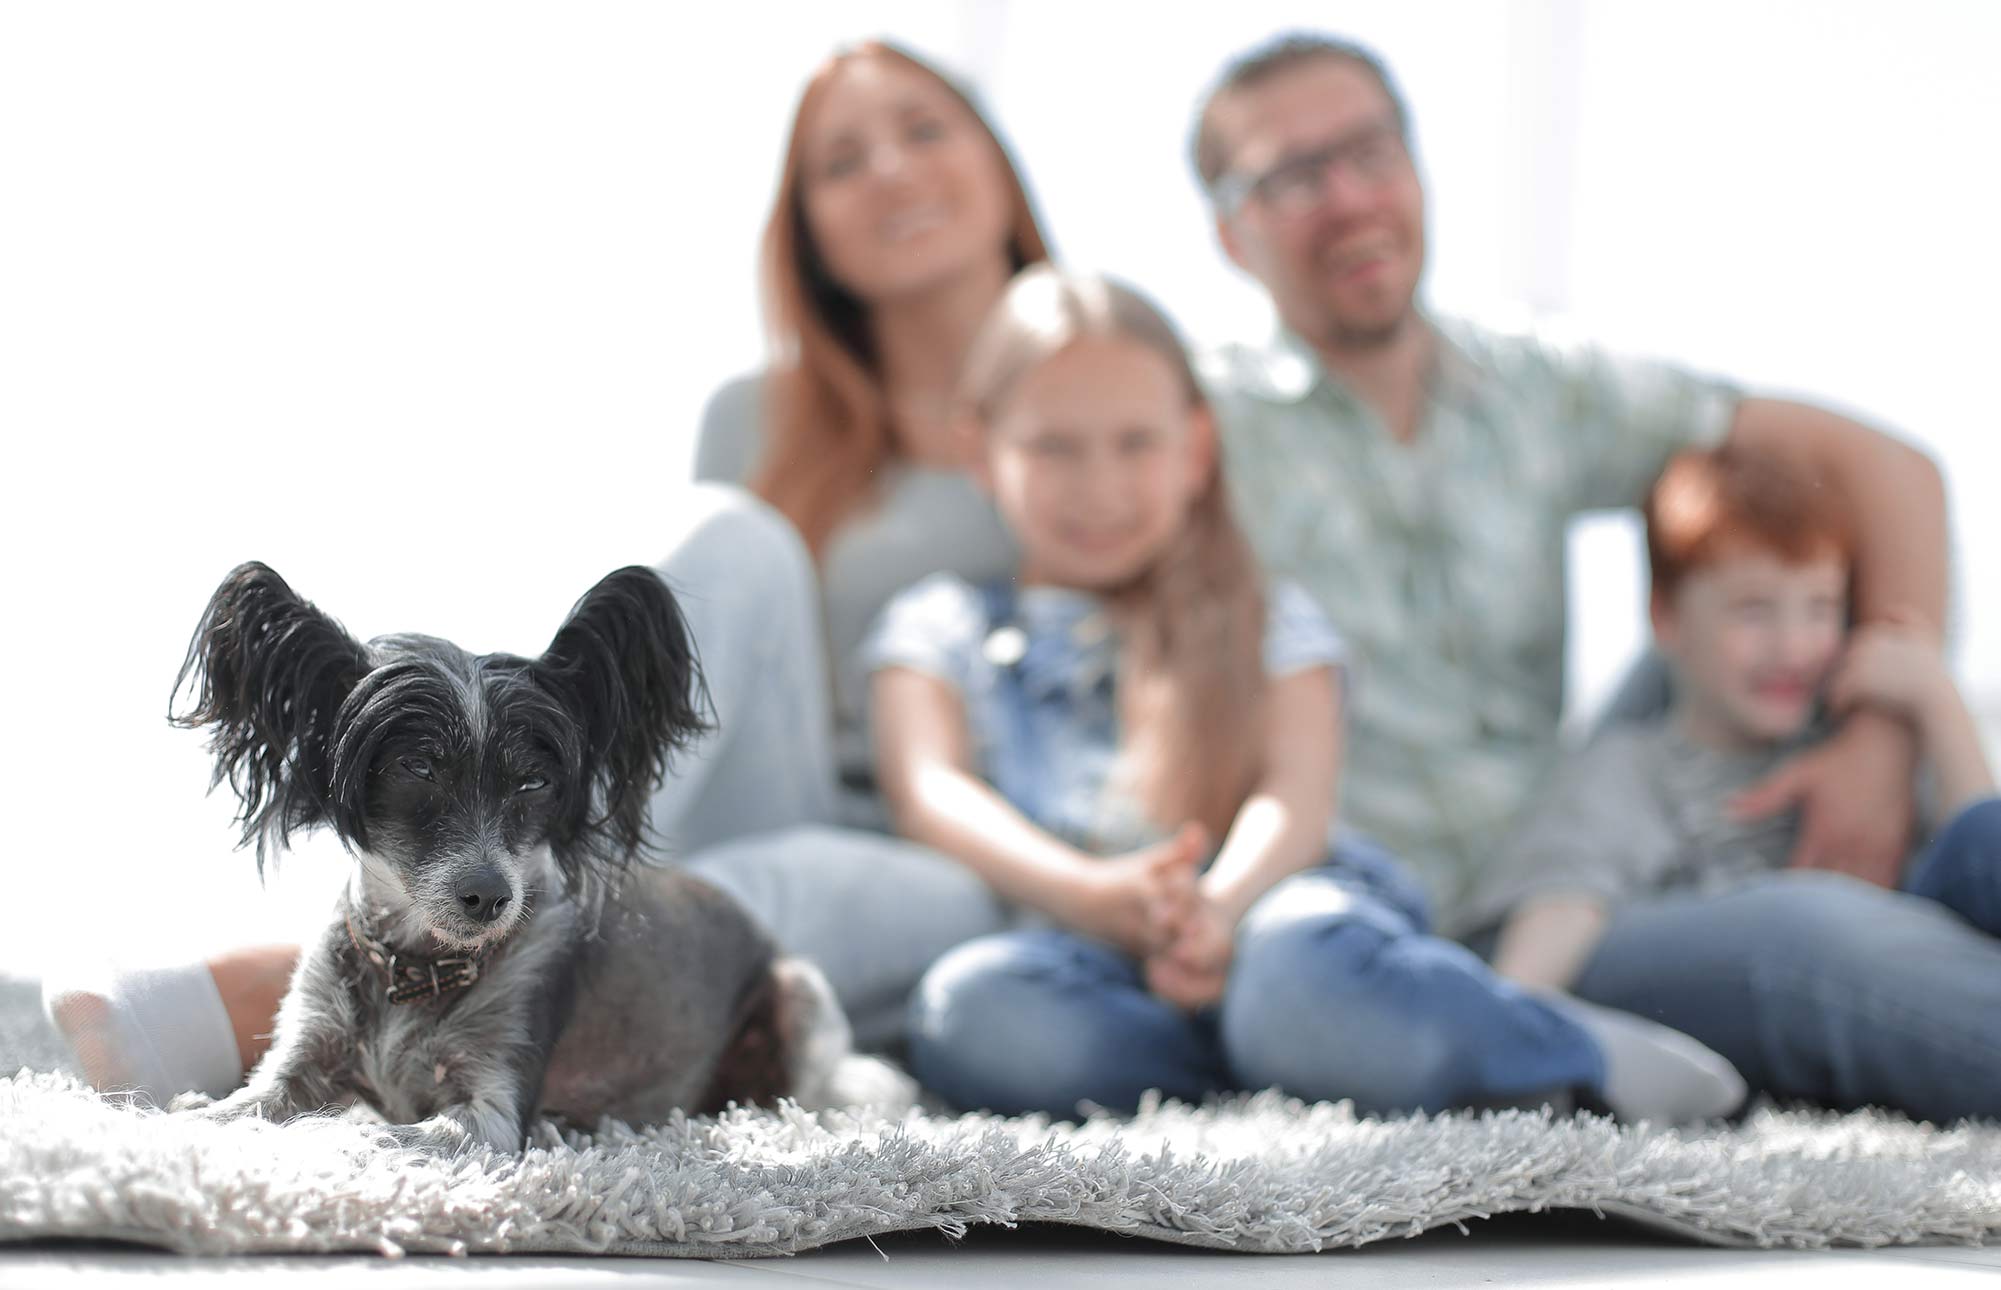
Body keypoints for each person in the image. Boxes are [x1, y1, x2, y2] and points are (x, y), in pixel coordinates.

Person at [44, 39, 1050, 1099]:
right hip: (758, 796)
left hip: (967, 851)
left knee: (740, 897)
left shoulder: (1137, 406)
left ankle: (267, 994)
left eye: (926, 131)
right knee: (730, 536)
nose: (889, 170)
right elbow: (685, 688)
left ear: (999, 159)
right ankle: (499, 880)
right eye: (842, 161)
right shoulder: (762, 415)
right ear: (806, 225)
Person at [1189, 33, 1978, 1120]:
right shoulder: (1191, 429)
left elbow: (1891, 472)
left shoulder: (1534, 384)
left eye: (1372, 152)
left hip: (1591, 862)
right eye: (1294, 177)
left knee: (1750, 612)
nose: (1350, 199)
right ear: (1234, 234)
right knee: (1812, 937)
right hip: (1426, 929)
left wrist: (1877, 749)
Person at [869, 265, 1744, 1123]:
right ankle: (1275, 1074)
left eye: (1135, 444)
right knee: (972, 1008)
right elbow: (932, 792)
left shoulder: (1267, 616)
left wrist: (1217, 908)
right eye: (1053, 448)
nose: (1098, 485)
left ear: (1196, 450)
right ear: (979, 450)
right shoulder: (940, 628)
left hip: (1274, 909)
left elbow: (1295, 797)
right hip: (1094, 953)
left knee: (1299, 972)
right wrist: (1092, 895)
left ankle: (1560, 1049)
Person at [1467, 446, 2000, 1122]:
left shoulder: (1862, 746)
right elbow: (1564, 899)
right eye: (1753, 612)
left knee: (1984, 832)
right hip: (1840, 997)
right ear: (1665, 618)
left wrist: (1936, 705)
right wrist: (1501, 1028)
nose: (1793, 646)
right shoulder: (1636, 768)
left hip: (1935, 945)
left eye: (1819, 608)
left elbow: (1974, 858)